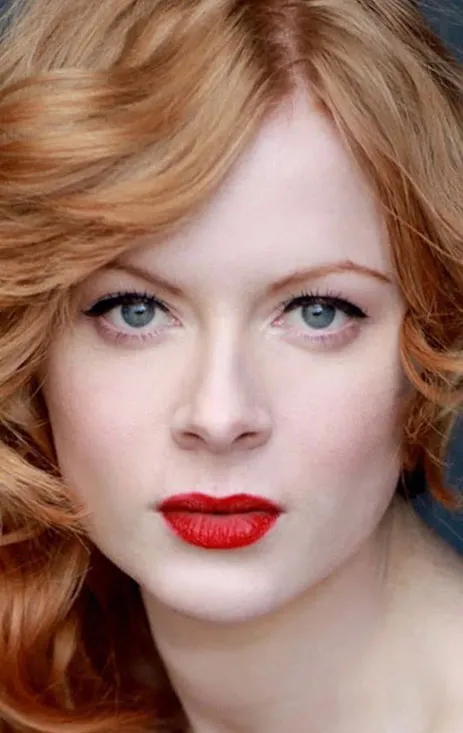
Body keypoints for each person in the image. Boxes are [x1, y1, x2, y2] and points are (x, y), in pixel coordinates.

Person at [0, 0, 462, 731]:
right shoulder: (50, 676)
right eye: (135, 310)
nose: (219, 416)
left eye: (317, 311)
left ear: (429, 349)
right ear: (29, 347)